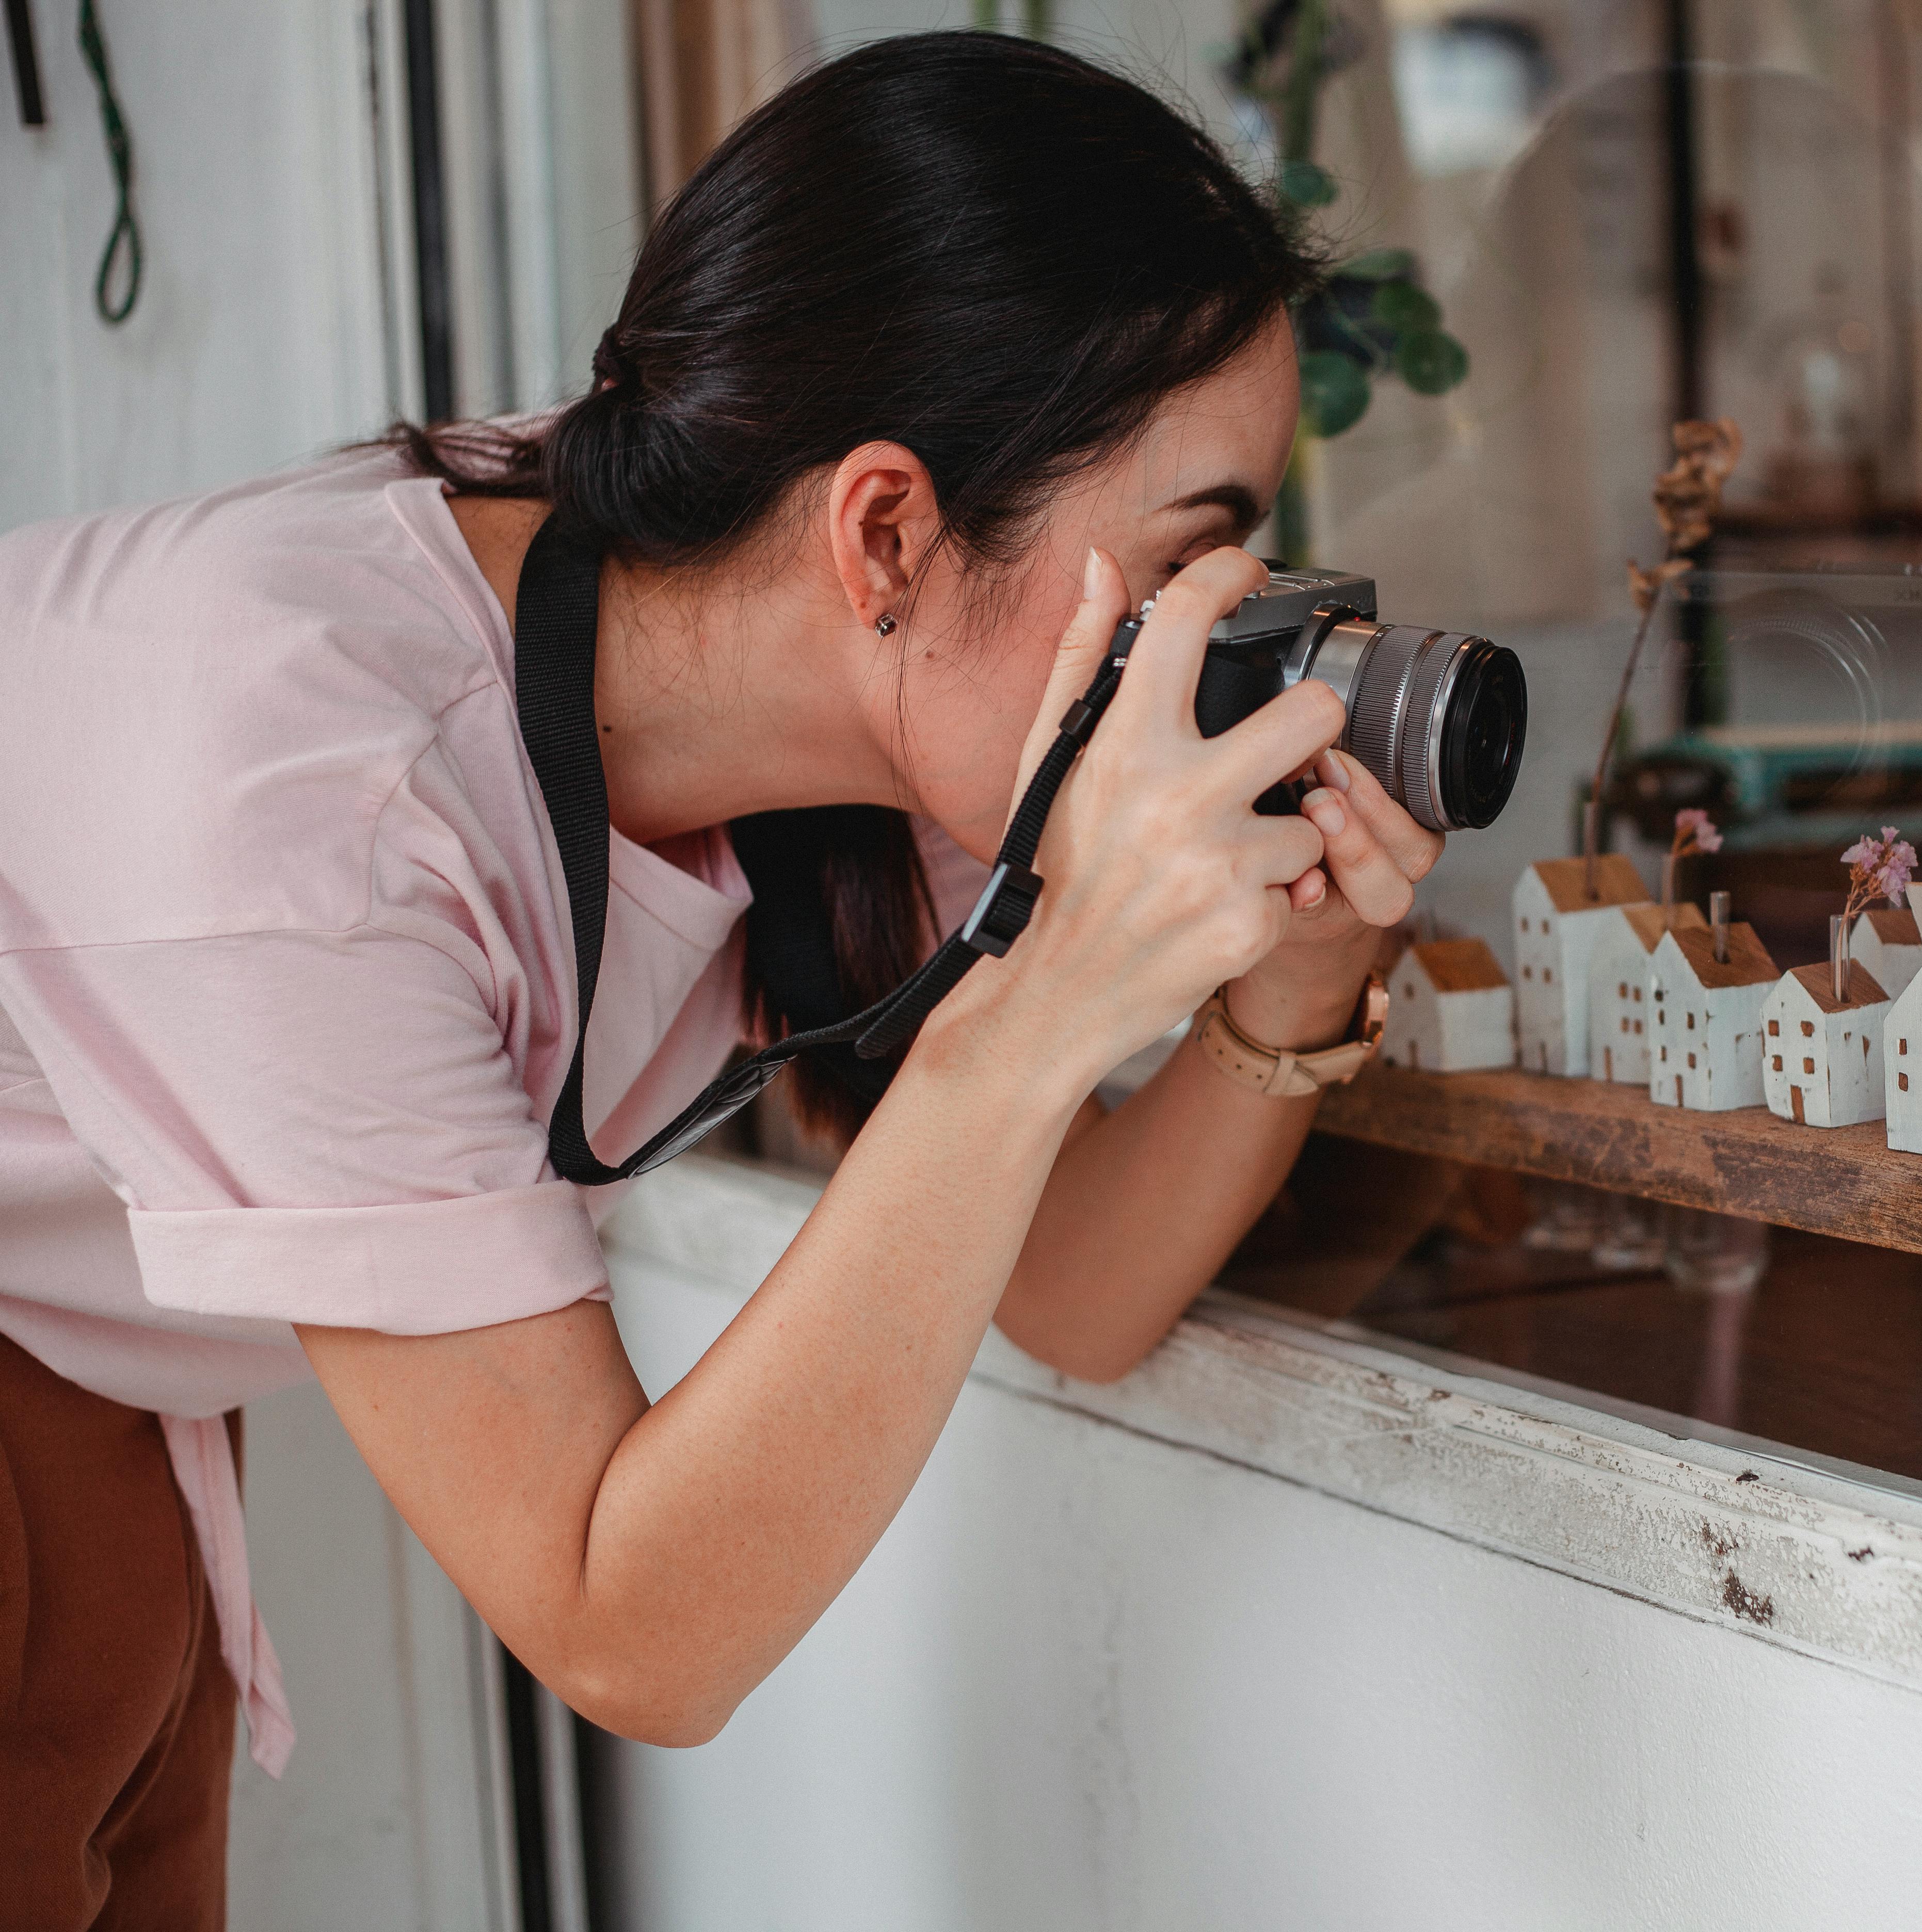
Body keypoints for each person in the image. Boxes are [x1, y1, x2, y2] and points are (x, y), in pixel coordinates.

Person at [0, 34, 1433, 1924]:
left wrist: (1294, 980)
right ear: (890, 529)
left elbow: (1073, 1281)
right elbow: (628, 1633)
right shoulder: (312, 796)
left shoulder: (843, 670)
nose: (1224, 626)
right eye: (1194, 556)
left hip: (89, 1357)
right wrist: (1047, 998)